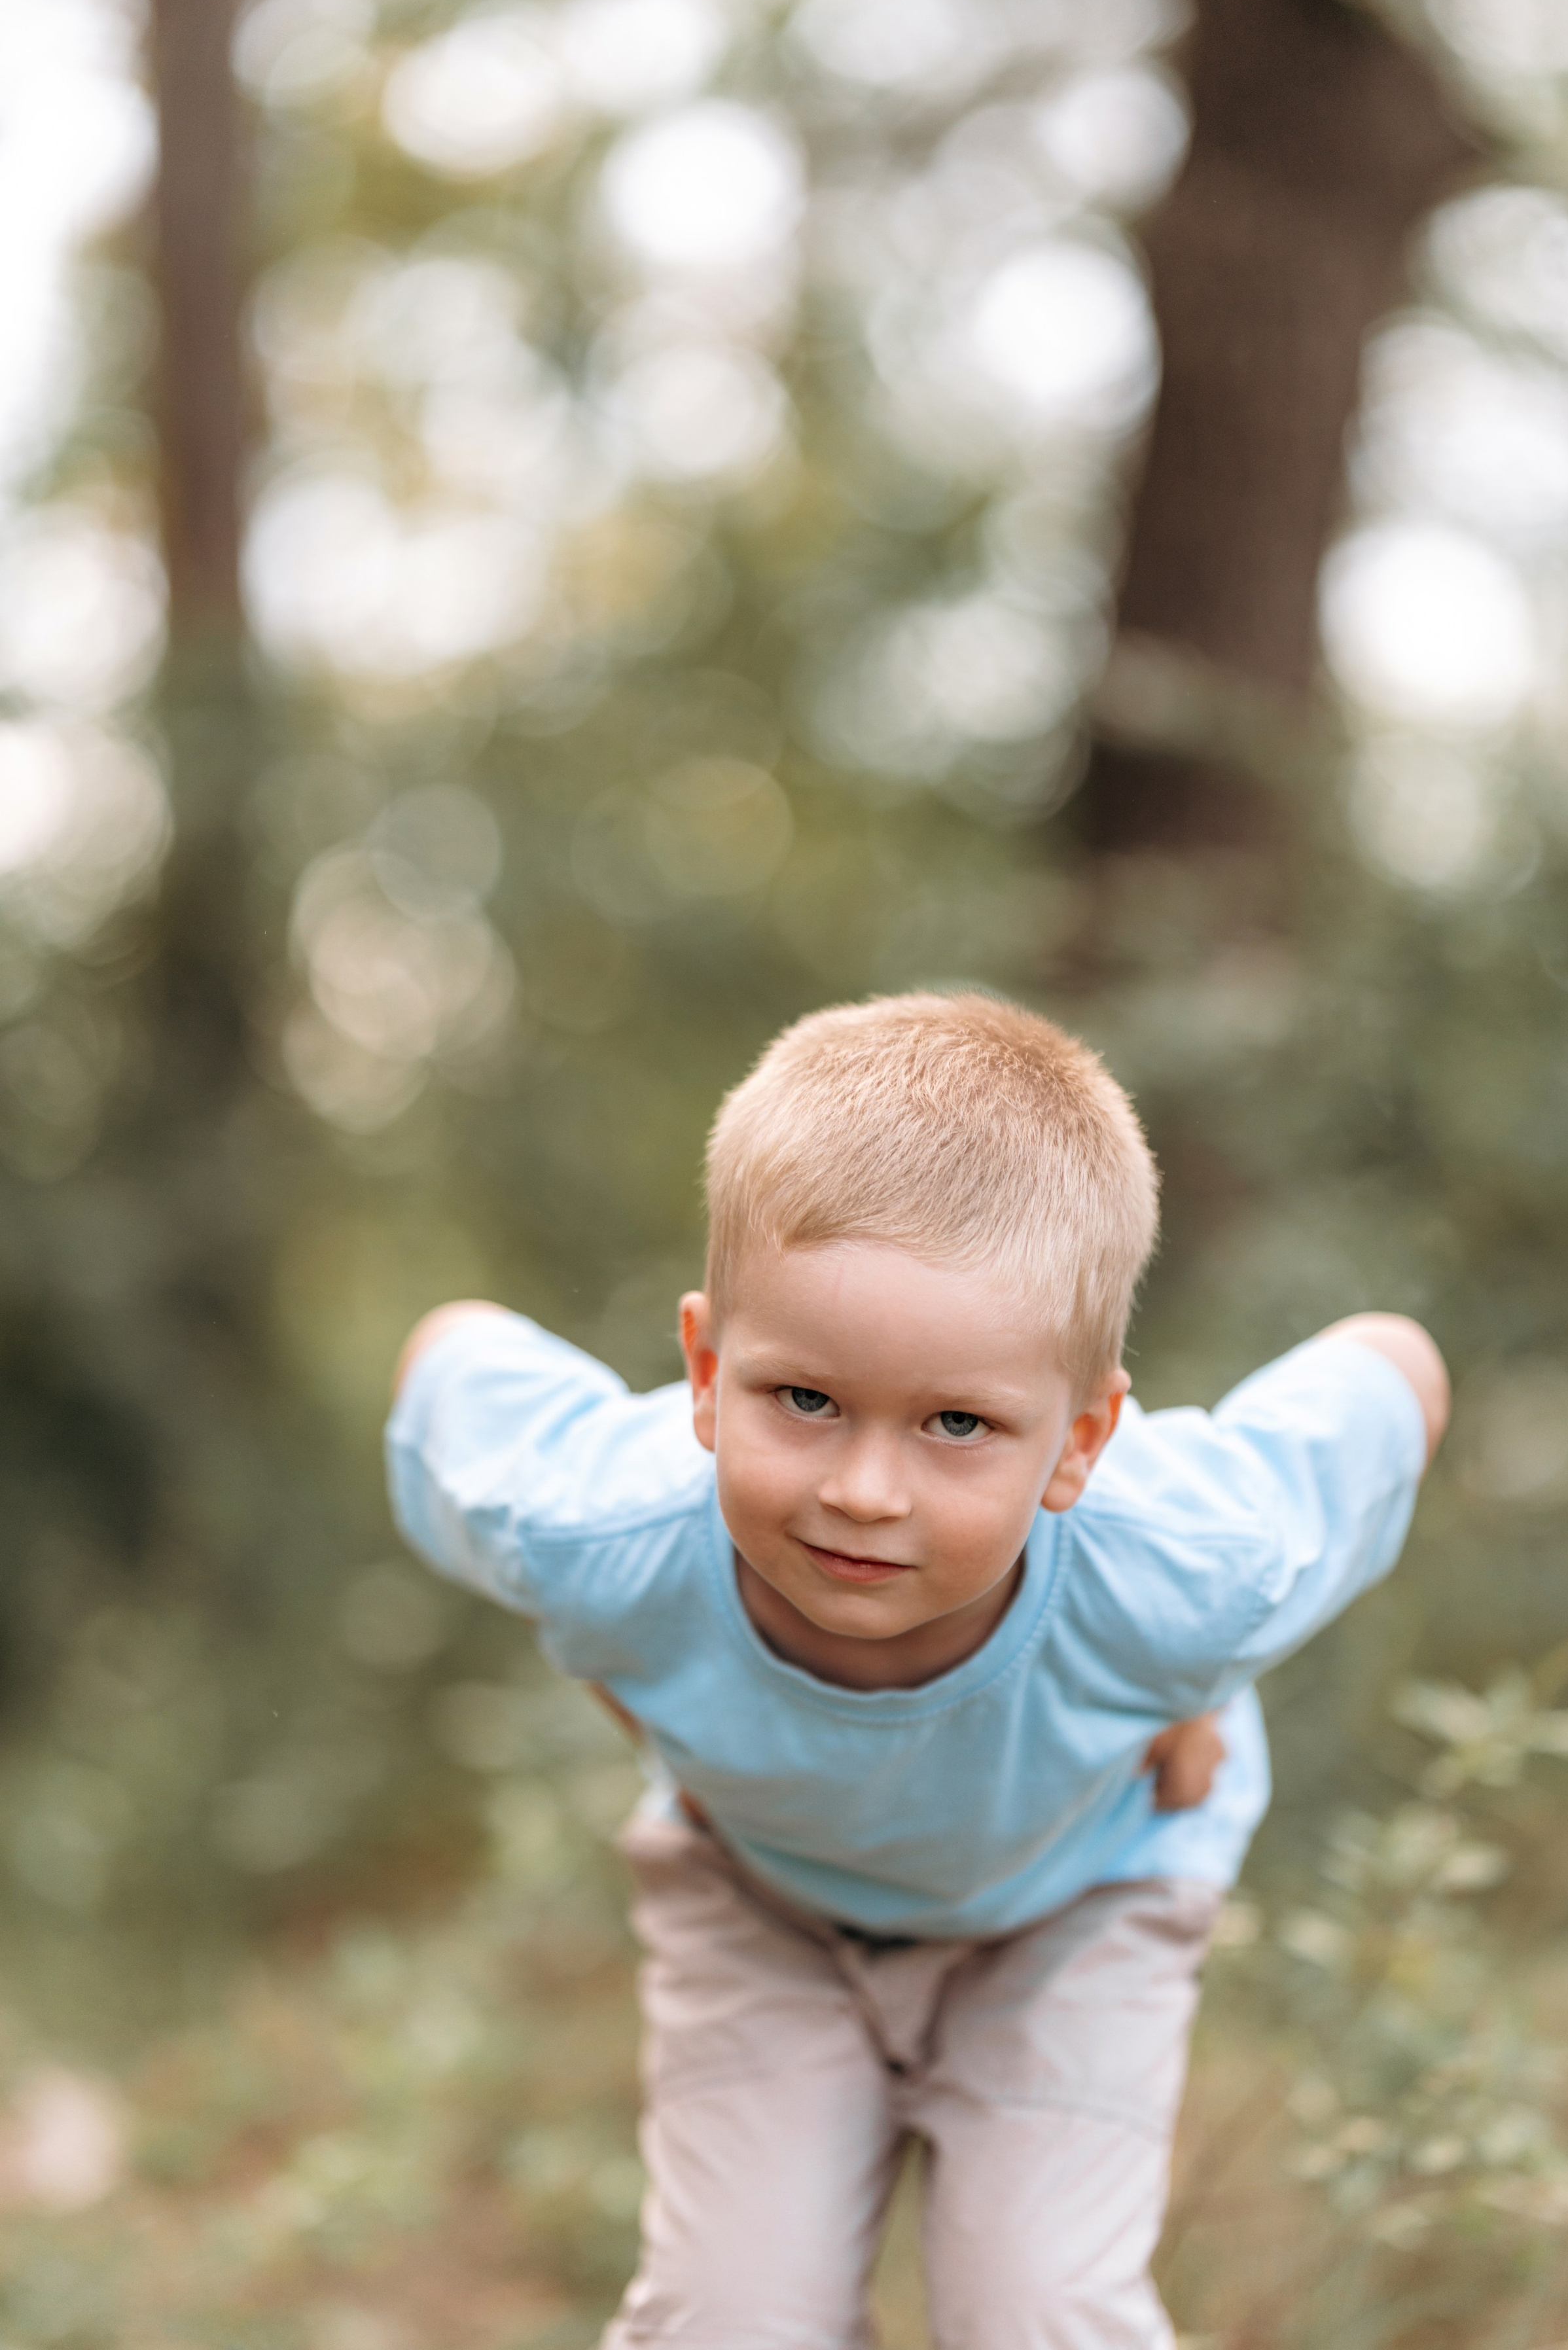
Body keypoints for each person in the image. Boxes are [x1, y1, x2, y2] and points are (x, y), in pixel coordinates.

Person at [386, 992, 1449, 2349]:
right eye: (805, 1400)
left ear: (1079, 1441)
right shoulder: (589, 1527)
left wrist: (1190, 1688)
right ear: (705, 1370)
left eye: (956, 1423)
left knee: (1037, 2309)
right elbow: (447, 1355)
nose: (865, 1492)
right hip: (764, 1905)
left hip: (1083, 1898)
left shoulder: (1198, 1566)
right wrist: (645, 1703)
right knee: (729, 2321)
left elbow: (1397, 1366)